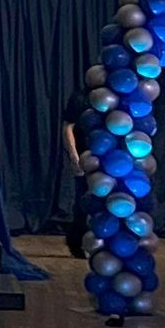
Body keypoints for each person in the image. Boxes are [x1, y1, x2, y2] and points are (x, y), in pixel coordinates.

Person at [60, 84, 91, 258]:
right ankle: (76, 243)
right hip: (85, 158)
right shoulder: (81, 97)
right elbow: (68, 127)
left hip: (110, 160)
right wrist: (74, 156)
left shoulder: (115, 100)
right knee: (83, 202)